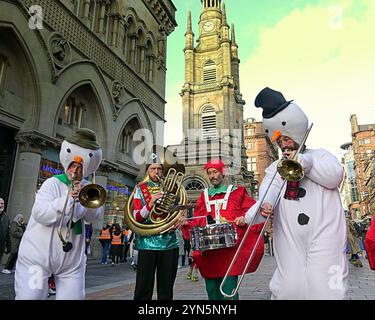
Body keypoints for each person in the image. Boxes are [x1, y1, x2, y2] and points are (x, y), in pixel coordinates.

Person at [245, 87, 349, 299]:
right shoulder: (275, 167)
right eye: (279, 141)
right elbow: (268, 191)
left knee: (326, 287)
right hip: (289, 237)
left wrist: (305, 163)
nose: (283, 144)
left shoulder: (319, 155)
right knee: (288, 286)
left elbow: (334, 177)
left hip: (324, 235)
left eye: (286, 139)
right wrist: (263, 207)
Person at [15, 128, 105, 300]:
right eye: (74, 166)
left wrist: (88, 201)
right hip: (37, 258)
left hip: (71, 262)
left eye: (81, 166)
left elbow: (92, 218)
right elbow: (41, 213)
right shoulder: (52, 183)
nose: (77, 169)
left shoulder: (88, 187)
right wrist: (68, 198)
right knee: (30, 296)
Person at [181, 159, 264, 300]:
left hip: (229, 250)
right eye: (209, 173)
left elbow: (253, 211)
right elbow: (198, 219)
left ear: (222, 173)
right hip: (209, 251)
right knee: (212, 290)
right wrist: (186, 224)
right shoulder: (204, 195)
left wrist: (244, 218)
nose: (212, 175)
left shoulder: (237, 192)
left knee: (228, 291)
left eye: (215, 172)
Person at [132, 150, 179, 300]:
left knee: (166, 289)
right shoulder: (140, 188)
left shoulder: (172, 188)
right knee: (143, 289)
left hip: (170, 243)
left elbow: (177, 212)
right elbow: (136, 217)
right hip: (147, 243)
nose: (156, 171)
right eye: (153, 168)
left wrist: (177, 221)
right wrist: (150, 203)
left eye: (159, 168)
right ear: (147, 170)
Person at [0, 197, 11, 267]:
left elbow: (7, 233)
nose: (1, 205)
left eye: (2, 203)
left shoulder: (6, 217)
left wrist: (9, 246)